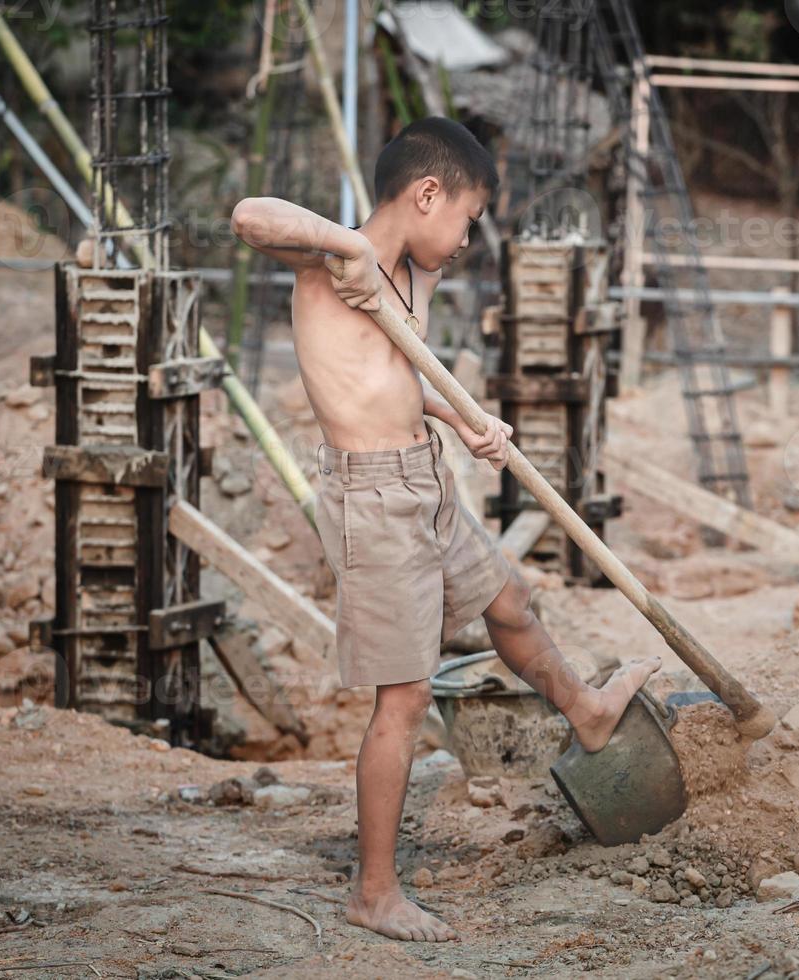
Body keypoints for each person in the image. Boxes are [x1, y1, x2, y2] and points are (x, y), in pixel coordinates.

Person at [229, 117, 660, 942]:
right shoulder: (331, 263)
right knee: (406, 698)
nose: (467, 238)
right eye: (467, 217)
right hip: (372, 502)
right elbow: (251, 214)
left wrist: (467, 419)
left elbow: (394, 376)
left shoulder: (414, 279)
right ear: (427, 194)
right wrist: (346, 247)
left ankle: (587, 710)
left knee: (513, 603)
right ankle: (375, 890)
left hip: (425, 478)